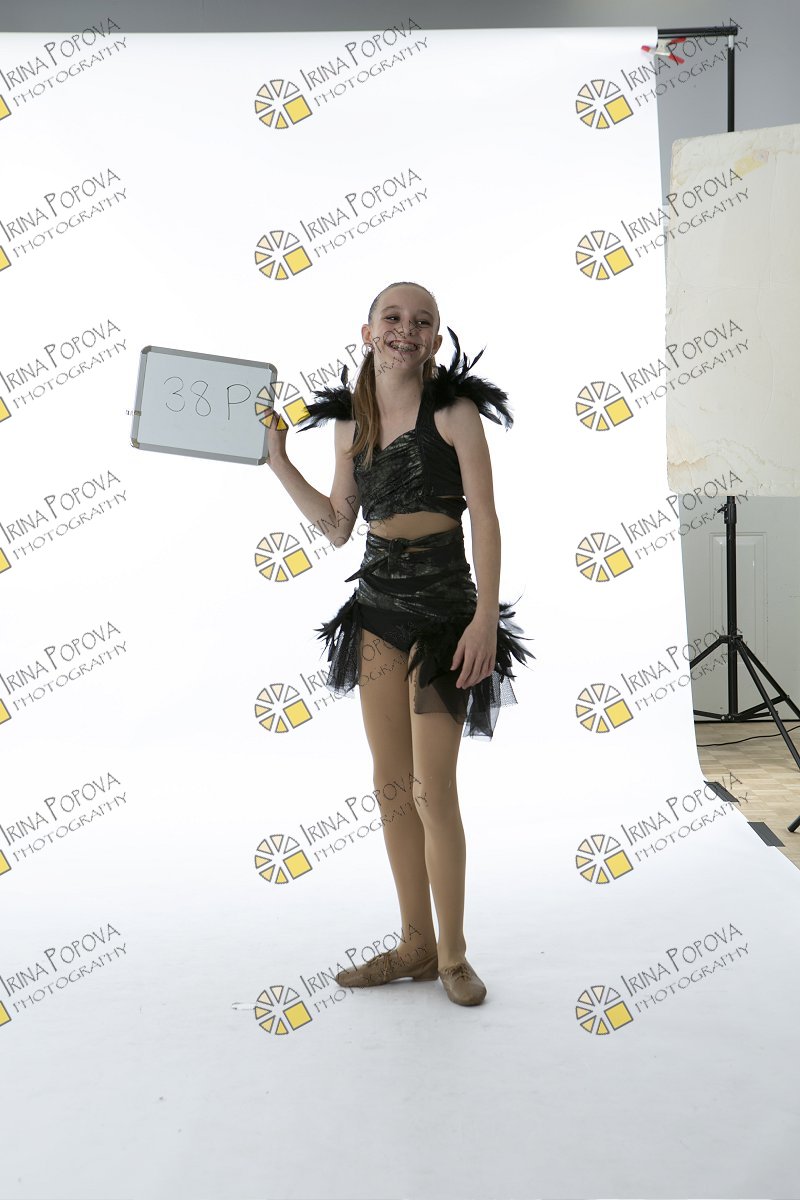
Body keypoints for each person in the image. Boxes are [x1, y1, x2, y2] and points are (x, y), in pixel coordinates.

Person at [264, 281, 534, 1007]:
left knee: (431, 789)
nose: (404, 329)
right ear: (368, 331)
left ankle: (453, 955)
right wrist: (278, 459)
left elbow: (486, 519)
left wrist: (484, 618)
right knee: (390, 785)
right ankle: (415, 943)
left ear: (436, 340)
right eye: (392, 318)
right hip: (378, 610)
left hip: (446, 615)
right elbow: (337, 526)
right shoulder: (350, 425)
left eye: (421, 322)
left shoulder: (454, 413)